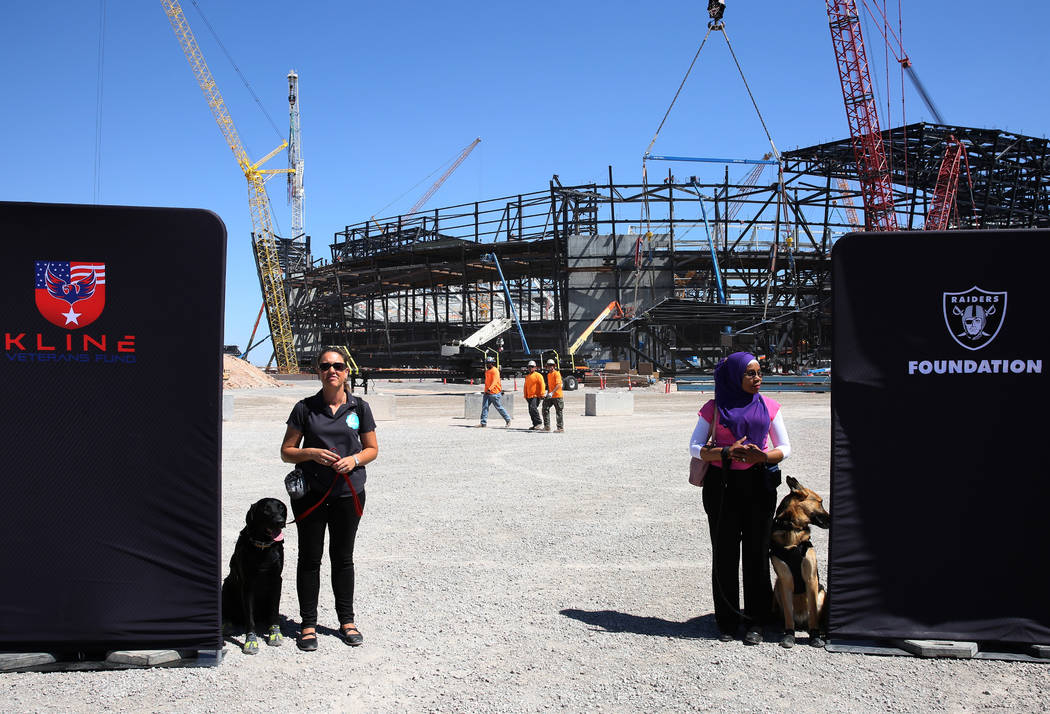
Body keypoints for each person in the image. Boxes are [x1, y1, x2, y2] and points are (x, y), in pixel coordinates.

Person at [280, 346, 379, 651]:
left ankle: (346, 621)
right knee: (309, 559)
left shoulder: (359, 408)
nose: (331, 371)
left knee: (342, 558)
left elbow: (372, 449)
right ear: (319, 372)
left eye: (337, 366)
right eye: (325, 366)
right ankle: (308, 624)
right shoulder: (304, 408)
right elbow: (287, 452)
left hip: (347, 494)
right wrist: (310, 453)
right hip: (311, 494)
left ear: (347, 371)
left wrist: (355, 460)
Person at [689, 351, 791, 645]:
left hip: (759, 484)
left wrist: (764, 455)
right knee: (724, 553)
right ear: (735, 376)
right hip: (722, 485)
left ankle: (756, 621)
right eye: (750, 373)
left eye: (759, 372)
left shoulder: (770, 406)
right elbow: (695, 447)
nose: (757, 378)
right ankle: (728, 620)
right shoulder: (713, 408)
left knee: (757, 553)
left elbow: (785, 446)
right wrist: (725, 452)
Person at [480, 355, 512, 427]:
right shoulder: (487, 371)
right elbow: (487, 382)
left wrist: (489, 389)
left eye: (488, 363)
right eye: (486, 363)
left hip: (494, 393)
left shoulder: (495, 371)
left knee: (499, 407)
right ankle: (483, 423)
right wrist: (486, 391)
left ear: (492, 363)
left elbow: (495, 382)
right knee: (484, 407)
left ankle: (508, 419)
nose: (487, 364)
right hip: (487, 393)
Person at [542, 358, 564, 432]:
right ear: (547, 366)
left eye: (552, 365)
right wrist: (548, 393)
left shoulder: (556, 373)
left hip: (557, 396)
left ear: (554, 366)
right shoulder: (549, 375)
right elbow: (549, 385)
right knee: (545, 408)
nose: (550, 367)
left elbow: (558, 385)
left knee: (559, 411)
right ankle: (547, 427)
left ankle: (560, 428)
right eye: (549, 365)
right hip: (551, 395)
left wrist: (552, 392)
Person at [523, 360, 545, 430]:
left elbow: (542, 385)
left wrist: (542, 394)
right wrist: (525, 395)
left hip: (536, 396)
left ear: (535, 368)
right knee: (530, 411)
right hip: (529, 396)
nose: (530, 368)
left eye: (532, 367)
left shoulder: (538, 376)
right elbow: (525, 386)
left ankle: (539, 422)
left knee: (533, 408)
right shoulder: (527, 376)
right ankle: (535, 424)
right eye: (529, 367)